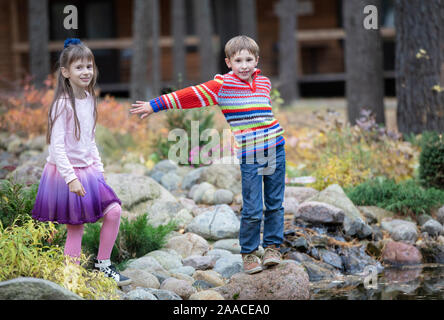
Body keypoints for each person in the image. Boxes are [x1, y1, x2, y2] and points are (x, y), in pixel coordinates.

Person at [130, 35, 286, 274]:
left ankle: (273, 247)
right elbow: (190, 95)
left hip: (275, 148)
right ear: (228, 62)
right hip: (250, 154)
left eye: (248, 60)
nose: (244, 65)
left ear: (256, 60)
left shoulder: (264, 82)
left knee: (275, 203)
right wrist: (155, 104)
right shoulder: (222, 86)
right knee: (254, 207)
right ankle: (249, 253)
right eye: (238, 60)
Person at [31, 38, 131, 286]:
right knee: (75, 227)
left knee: (114, 210)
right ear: (65, 72)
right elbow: (57, 148)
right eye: (79, 67)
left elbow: (89, 140)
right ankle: (71, 277)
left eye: (89, 66)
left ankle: (103, 264)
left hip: (89, 170)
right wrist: (71, 179)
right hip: (66, 174)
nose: (86, 71)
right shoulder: (62, 105)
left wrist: (99, 170)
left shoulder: (89, 98)